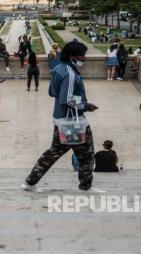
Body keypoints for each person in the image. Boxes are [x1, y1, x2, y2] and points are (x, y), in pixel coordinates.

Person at [21, 40, 99, 193]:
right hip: (72, 120)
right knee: (86, 154)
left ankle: (29, 182)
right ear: (72, 56)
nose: (84, 58)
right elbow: (67, 100)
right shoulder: (70, 73)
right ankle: (85, 186)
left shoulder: (58, 68)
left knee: (56, 152)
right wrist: (85, 106)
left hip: (61, 118)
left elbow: (52, 93)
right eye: (82, 55)